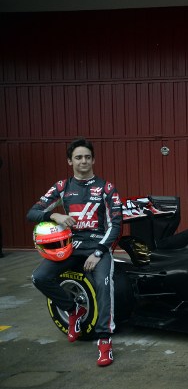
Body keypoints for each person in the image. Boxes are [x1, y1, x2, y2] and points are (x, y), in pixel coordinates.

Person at [27, 138, 122, 367]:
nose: (83, 161)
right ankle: (73, 309)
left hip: (97, 246)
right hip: (70, 246)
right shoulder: (61, 187)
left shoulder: (107, 188)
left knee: (103, 284)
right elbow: (32, 212)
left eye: (87, 157)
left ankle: (104, 341)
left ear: (94, 160)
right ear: (70, 161)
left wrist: (99, 252)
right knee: (39, 278)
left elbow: (116, 224)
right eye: (78, 157)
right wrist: (55, 215)